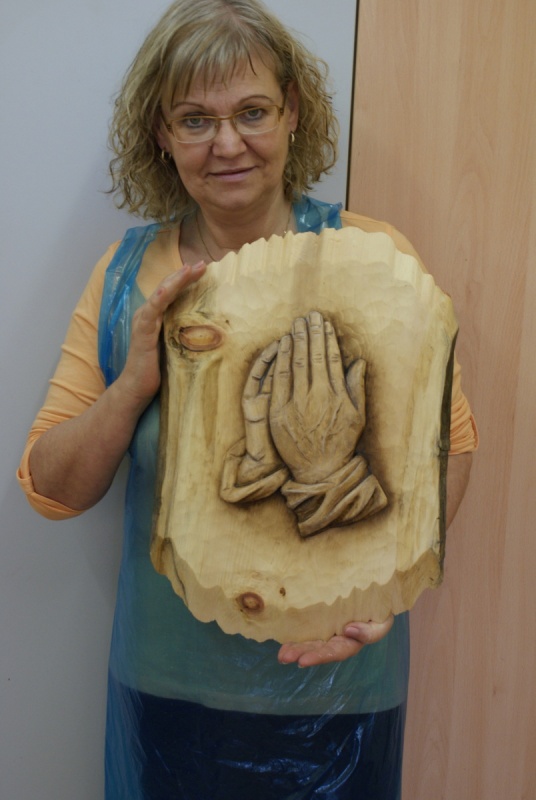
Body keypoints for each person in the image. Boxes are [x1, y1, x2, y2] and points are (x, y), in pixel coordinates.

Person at [17, 1, 478, 798]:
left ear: (293, 112)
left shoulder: (374, 263)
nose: (227, 143)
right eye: (195, 119)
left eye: (252, 112)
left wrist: (392, 587)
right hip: (168, 695)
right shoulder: (127, 278)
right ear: (162, 135)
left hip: (343, 691)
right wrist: (134, 386)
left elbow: (452, 447)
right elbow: (51, 490)